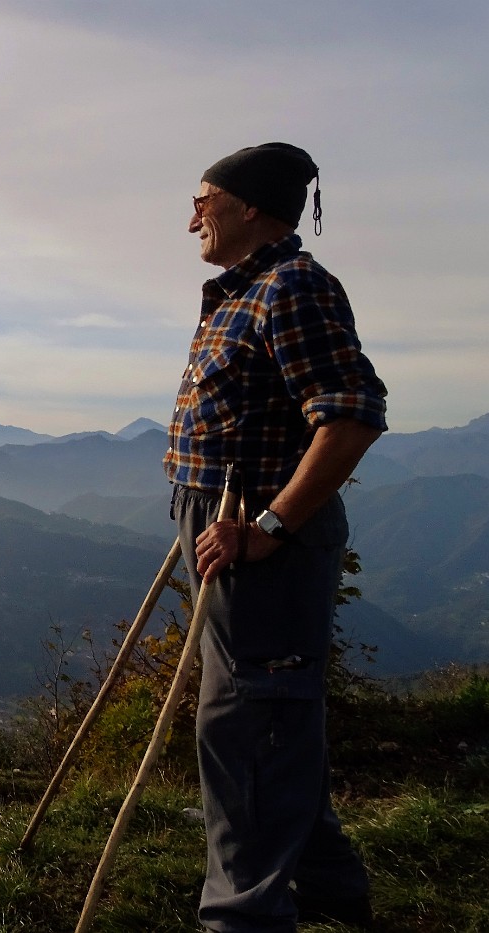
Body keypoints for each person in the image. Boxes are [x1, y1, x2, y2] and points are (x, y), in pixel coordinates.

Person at [165, 142, 388, 932]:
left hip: (261, 542)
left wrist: (266, 525)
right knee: (269, 718)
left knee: (247, 724)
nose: (192, 213)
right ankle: (328, 885)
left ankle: (242, 917)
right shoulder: (240, 293)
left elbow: (352, 414)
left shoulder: (292, 287)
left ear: (250, 207)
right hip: (222, 527)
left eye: (204, 198)